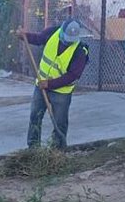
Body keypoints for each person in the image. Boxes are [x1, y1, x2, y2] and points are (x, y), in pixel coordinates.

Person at [19, 19, 90, 149]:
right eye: (66, 38)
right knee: (35, 116)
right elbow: (39, 38)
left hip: (61, 93)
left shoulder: (80, 51)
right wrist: (25, 36)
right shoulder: (53, 32)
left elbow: (72, 76)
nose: (67, 42)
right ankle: (33, 148)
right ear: (62, 30)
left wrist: (49, 84)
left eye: (71, 40)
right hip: (41, 87)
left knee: (60, 123)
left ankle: (57, 151)